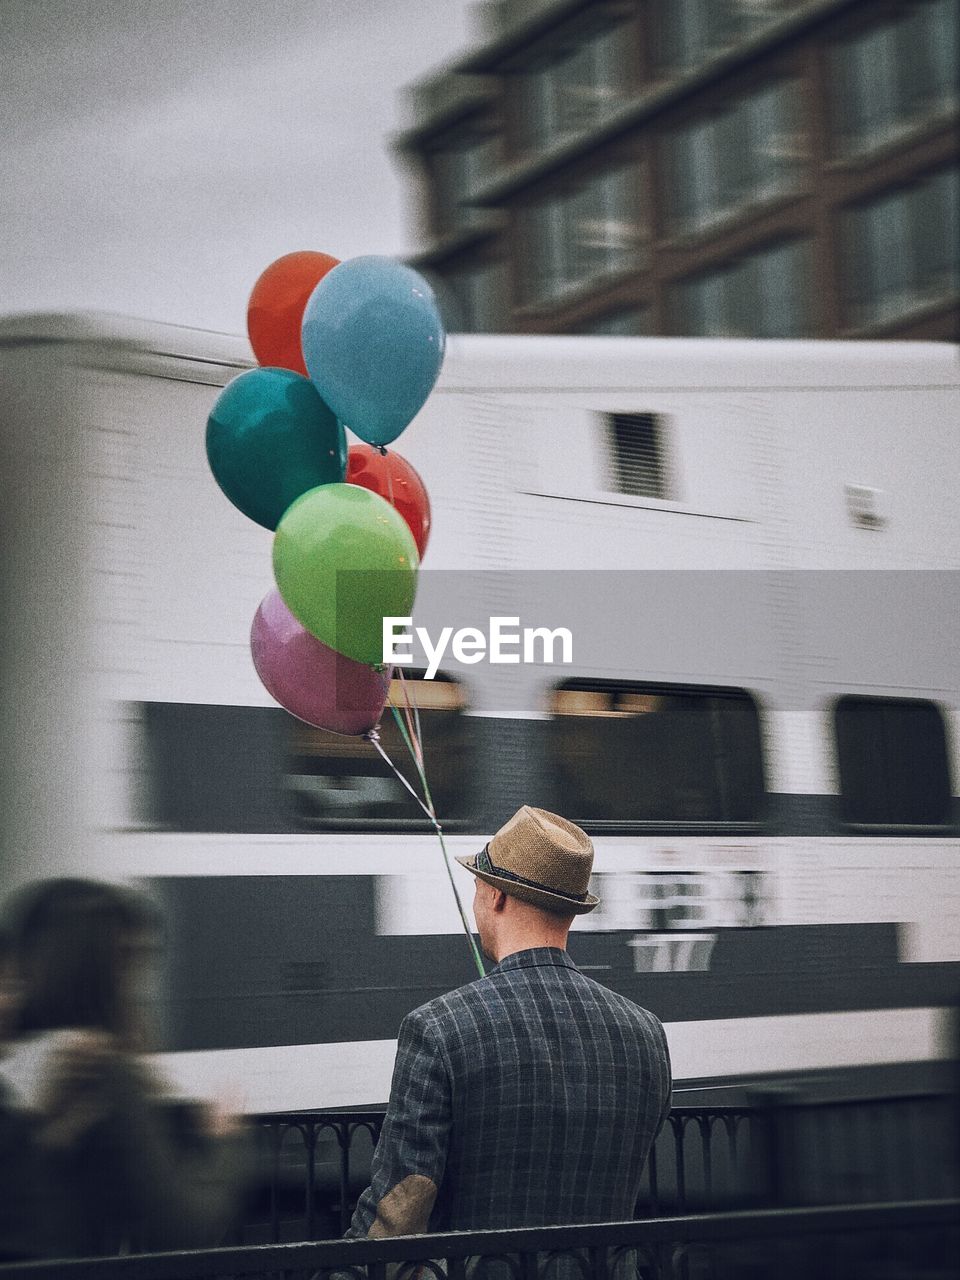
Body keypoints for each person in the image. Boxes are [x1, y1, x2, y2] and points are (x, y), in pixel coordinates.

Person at [348, 806, 672, 1237]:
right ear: (571, 911)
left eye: (478, 885)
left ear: (495, 896)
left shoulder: (438, 1028)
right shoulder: (646, 1033)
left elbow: (399, 1210)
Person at [0, 878, 248, 1258]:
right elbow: (187, 1225)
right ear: (103, 969)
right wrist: (225, 1140)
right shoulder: (98, 1068)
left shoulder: (21, 1061)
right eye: (132, 962)